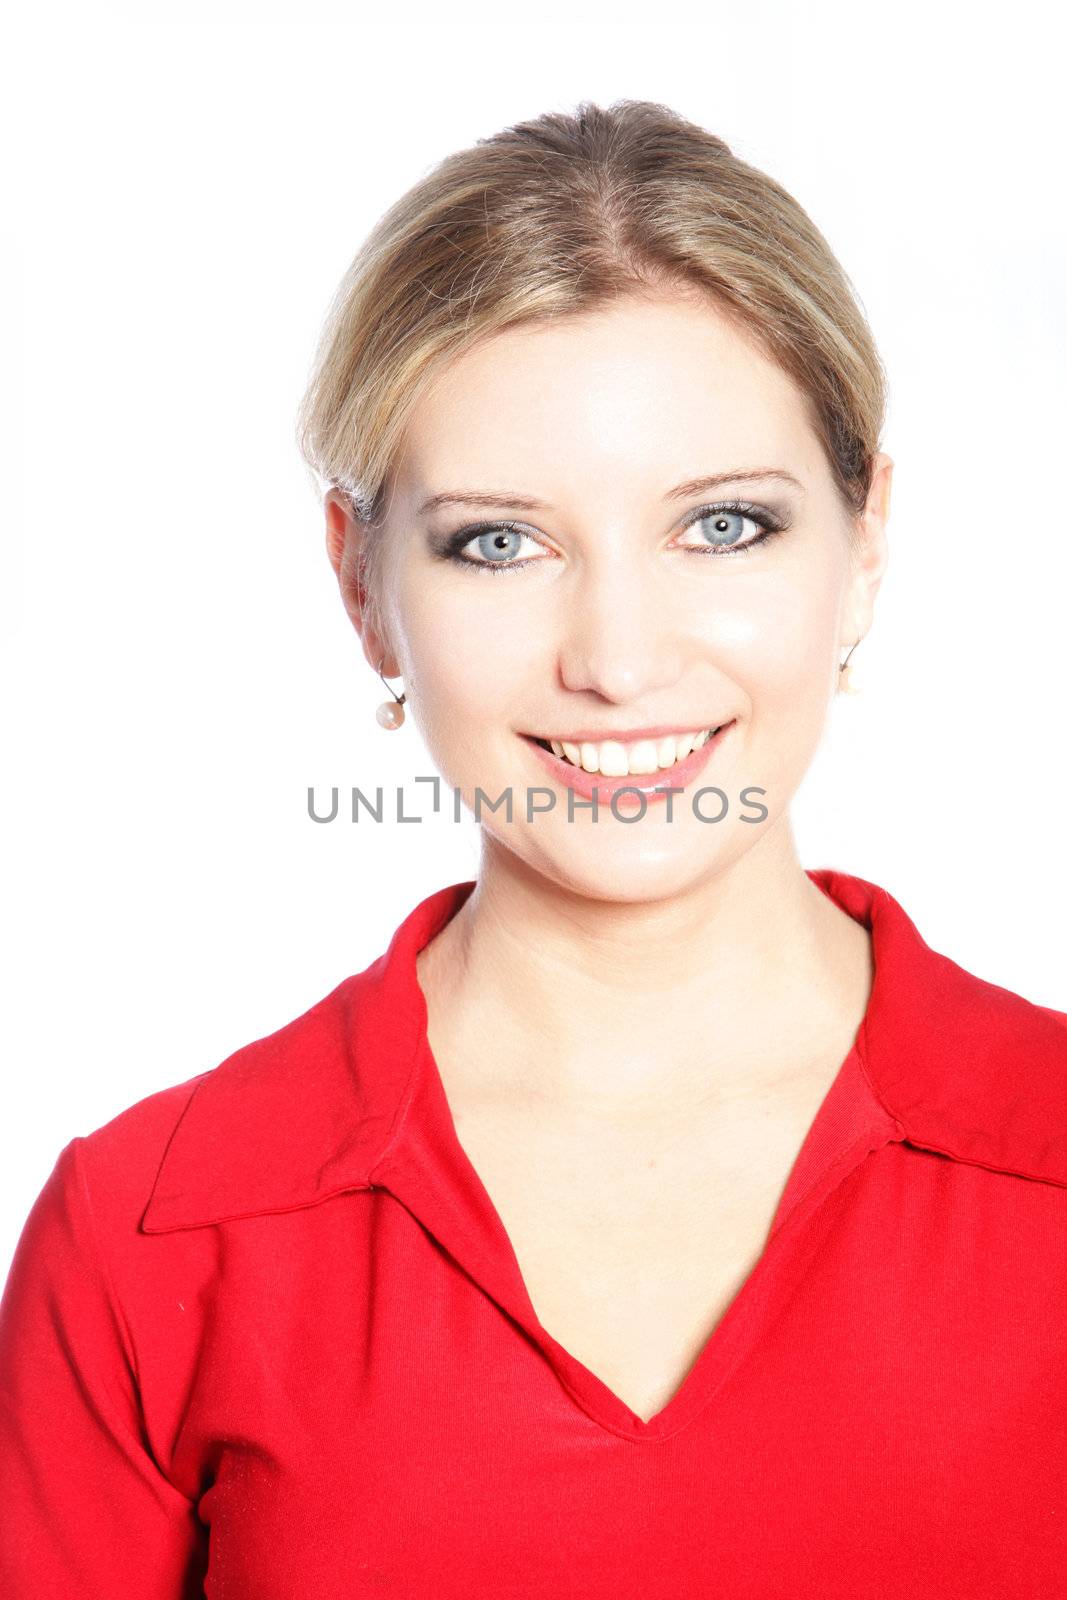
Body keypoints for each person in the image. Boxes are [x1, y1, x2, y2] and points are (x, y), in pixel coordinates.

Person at [1, 99, 1064, 1599]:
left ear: (865, 540)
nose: (618, 663)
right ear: (362, 586)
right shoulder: (152, 1235)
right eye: (501, 542)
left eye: (726, 527)